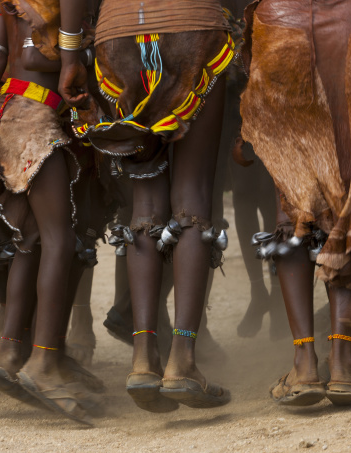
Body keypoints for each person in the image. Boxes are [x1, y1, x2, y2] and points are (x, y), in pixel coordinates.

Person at [240, 0, 351, 405]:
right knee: (348, 198)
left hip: (278, 22)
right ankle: (342, 363)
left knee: (294, 200)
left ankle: (304, 364)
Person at [59, 0, 232, 411]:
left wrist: (70, 55)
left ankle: (143, 359)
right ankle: (183, 360)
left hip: (119, 34)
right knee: (191, 198)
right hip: (193, 26)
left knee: (145, 198)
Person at [0, 0, 102, 424]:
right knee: (59, 241)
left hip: (5, 112)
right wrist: (78, 55)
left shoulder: (4, 4)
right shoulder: (48, 7)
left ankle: (8, 352)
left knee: (32, 240)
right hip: (34, 117)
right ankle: (43, 362)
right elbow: (30, 54)